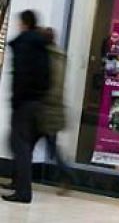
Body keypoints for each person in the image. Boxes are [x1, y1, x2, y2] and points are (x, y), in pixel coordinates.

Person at [4, 10, 50, 203]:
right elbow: (47, 78)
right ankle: (19, 186)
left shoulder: (24, 45)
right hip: (37, 102)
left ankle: (22, 191)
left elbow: (21, 76)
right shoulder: (42, 47)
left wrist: (16, 100)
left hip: (24, 103)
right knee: (23, 146)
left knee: (20, 146)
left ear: (24, 24)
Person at [37, 28, 75, 193]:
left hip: (46, 109)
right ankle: (66, 175)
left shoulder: (49, 57)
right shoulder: (59, 56)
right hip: (52, 108)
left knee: (25, 143)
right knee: (49, 146)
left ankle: (67, 175)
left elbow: (49, 85)